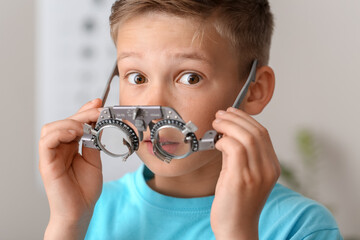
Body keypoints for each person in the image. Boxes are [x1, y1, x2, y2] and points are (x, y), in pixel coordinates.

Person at [39, 0, 343, 239]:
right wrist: (66, 224)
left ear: (254, 91)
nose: (153, 105)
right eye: (137, 76)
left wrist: (237, 232)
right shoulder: (90, 211)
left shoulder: (301, 227)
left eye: (190, 77)